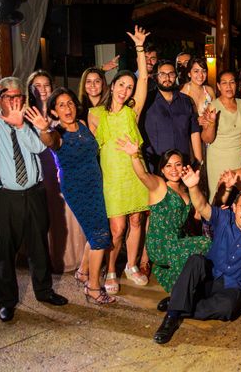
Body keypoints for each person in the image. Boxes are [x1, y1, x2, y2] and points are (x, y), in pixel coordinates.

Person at [153, 175, 241, 345]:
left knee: (227, 309)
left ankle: (178, 304)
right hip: (209, 277)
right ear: (234, 208)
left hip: (235, 286)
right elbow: (203, 206)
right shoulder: (223, 217)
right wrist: (193, 187)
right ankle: (172, 317)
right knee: (196, 260)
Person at [0, 77, 68, 322]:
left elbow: (40, 148)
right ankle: (6, 301)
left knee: (39, 245)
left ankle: (44, 291)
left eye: (20, 98)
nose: (16, 102)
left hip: (35, 192)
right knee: (4, 251)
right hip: (5, 197)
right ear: (0, 100)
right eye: (10, 98)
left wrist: (21, 127)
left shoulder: (30, 121)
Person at [88, 26, 150, 293]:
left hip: (136, 174)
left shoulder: (132, 112)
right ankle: (111, 269)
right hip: (112, 180)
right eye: (122, 85)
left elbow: (145, 80)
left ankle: (132, 265)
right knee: (116, 229)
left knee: (136, 221)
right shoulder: (96, 114)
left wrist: (139, 48)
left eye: (130, 87)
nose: (126, 90)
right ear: (112, 86)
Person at [117, 140, 211, 309]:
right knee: (206, 244)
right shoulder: (159, 186)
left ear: (184, 167)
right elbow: (143, 175)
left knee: (195, 275)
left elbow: (200, 213)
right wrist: (134, 156)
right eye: (168, 166)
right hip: (161, 244)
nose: (173, 169)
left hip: (178, 241)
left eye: (177, 165)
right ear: (162, 169)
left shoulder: (186, 189)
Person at [28, 70, 86, 273]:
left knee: (69, 213)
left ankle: (76, 258)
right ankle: (52, 258)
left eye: (46, 85)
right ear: (31, 88)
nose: (42, 89)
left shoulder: (59, 113)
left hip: (61, 170)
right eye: (38, 85)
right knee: (48, 215)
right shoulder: (27, 114)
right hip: (39, 171)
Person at [143, 59, 202, 171]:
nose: (167, 78)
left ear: (176, 76)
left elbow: (194, 131)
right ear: (156, 76)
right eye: (162, 74)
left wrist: (198, 161)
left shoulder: (186, 101)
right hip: (156, 166)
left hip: (183, 166)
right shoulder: (147, 101)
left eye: (171, 74)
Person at [201, 70, 241, 202]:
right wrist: (211, 124)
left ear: (237, 84)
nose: (228, 86)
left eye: (232, 82)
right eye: (224, 83)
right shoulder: (213, 106)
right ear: (218, 86)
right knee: (221, 197)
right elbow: (207, 139)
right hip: (219, 158)